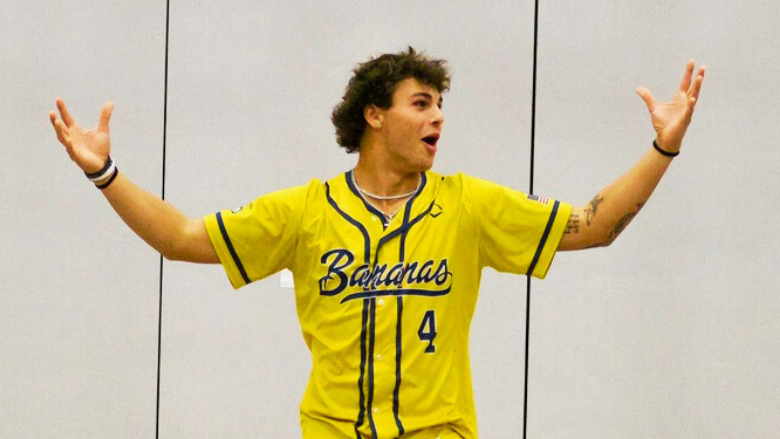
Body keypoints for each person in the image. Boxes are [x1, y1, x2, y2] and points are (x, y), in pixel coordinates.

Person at [49, 47, 705, 439]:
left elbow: (592, 226)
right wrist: (104, 172)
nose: (437, 116)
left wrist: (663, 147)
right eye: (420, 103)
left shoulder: (468, 204)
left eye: (440, 105)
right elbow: (182, 238)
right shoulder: (306, 211)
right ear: (374, 114)